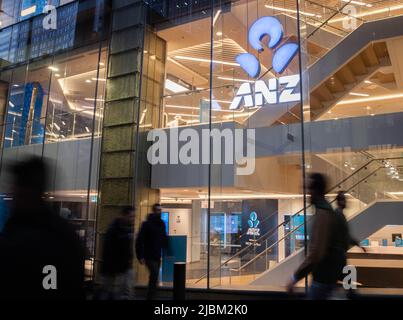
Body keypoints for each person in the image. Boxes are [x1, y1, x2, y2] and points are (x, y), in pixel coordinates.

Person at [0, 156, 85, 300]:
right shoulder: (64, 234)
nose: (12, 192)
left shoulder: (17, 234)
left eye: (16, 186)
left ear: (27, 191)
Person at [287, 173, 349, 300]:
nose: (306, 193)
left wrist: (295, 278)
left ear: (315, 190)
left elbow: (316, 253)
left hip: (322, 282)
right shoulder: (328, 212)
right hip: (328, 279)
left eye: (308, 189)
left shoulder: (323, 215)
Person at [100, 206, 135, 300]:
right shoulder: (114, 230)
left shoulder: (127, 229)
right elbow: (108, 251)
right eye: (130, 216)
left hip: (124, 267)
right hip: (115, 269)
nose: (132, 219)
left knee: (125, 291)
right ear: (123, 216)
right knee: (112, 292)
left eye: (133, 216)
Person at [135, 203, 168, 300]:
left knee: (154, 277)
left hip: (157, 255)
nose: (160, 212)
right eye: (158, 210)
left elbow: (164, 237)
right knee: (154, 274)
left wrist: (167, 250)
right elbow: (139, 240)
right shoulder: (146, 224)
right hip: (148, 256)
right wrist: (140, 256)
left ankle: (152, 295)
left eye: (160, 210)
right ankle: (150, 297)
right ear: (154, 211)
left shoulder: (161, 223)